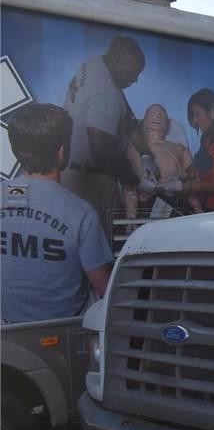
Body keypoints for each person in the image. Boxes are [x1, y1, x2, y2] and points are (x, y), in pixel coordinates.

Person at [1, 104, 113, 324]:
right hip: (63, 335)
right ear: (61, 151)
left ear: (16, 149)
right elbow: (105, 289)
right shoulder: (81, 214)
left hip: (7, 336)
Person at [61, 36, 148, 236]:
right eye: (133, 73)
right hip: (88, 180)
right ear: (118, 62)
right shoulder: (105, 90)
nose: (135, 80)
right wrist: (134, 179)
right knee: (100, 240)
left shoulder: (95, 65)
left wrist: (145, 154)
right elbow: (101, 152)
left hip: (75, 172)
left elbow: (129, 117)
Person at [124, 104, 203, 218]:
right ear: (144, 121)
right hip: (146, 207)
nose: (158, 116)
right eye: (153, 113)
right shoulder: (136, 147)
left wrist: (198, 211)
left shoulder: (179, 149)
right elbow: (128, 186)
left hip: (174, 206)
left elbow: (192, 184)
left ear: (168, 124)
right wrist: (130, 216)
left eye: (163, 115)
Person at [175, 88, 214, 211]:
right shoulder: (207, 139)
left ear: (212, 113)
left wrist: (183, 187)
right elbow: (199, 170)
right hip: (207, 205)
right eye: (192, 116)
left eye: (197, 114)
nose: (194, 120)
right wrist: (177, 174)